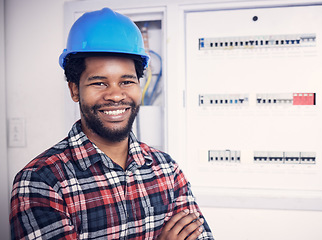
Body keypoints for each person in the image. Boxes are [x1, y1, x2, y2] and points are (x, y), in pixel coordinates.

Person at [9, 7, 214, 240]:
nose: (116, 95)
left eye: (126, 81)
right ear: (74, 89)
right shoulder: (41, 181)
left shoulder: (167, 170)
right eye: (99, 83)